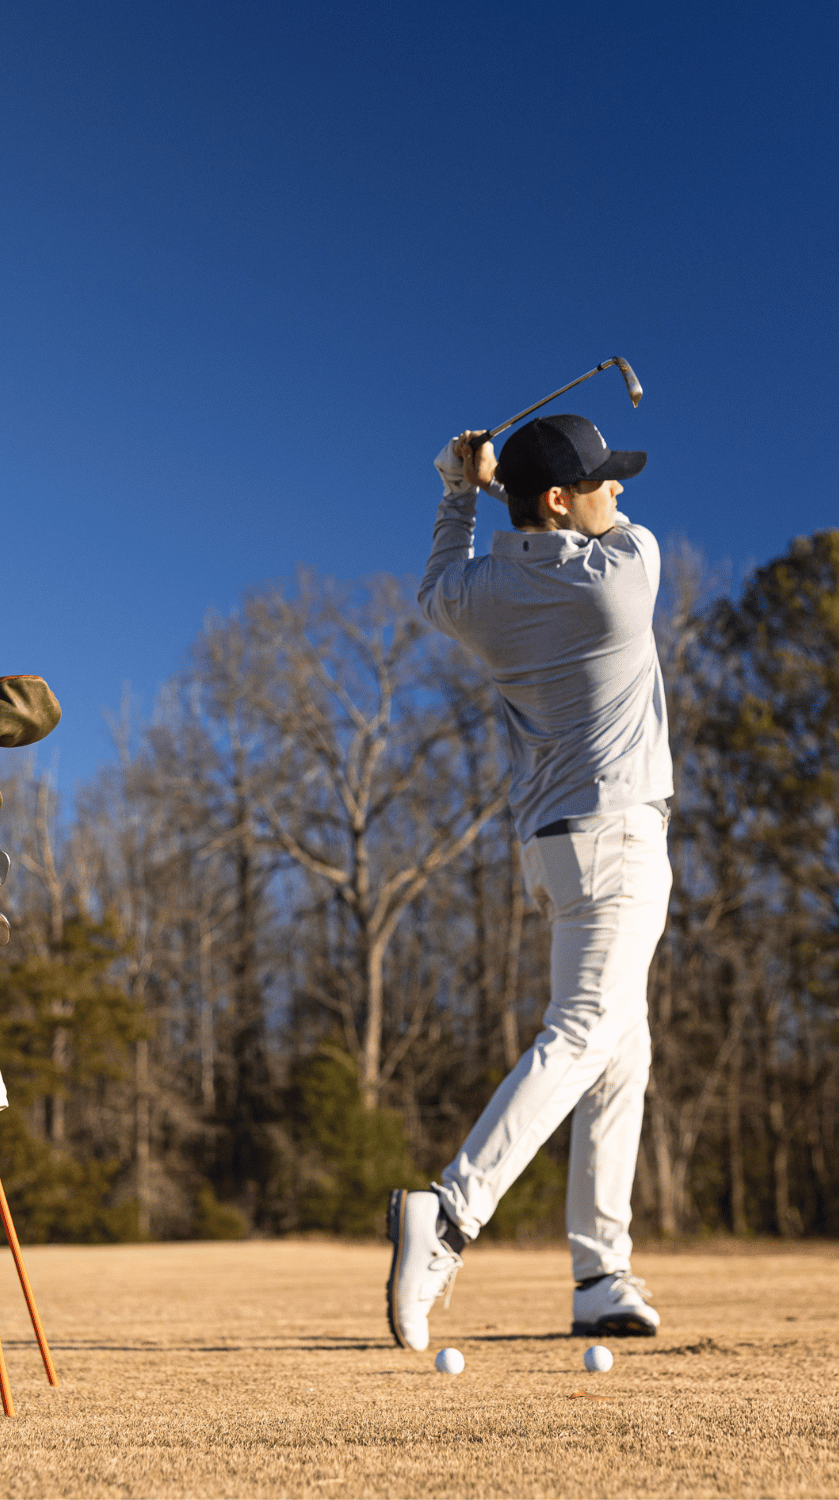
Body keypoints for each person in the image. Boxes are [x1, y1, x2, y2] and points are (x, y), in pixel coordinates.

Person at [387, 411, 674, 1351]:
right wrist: (483, 484)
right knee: (586, 1031)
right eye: (603, 480)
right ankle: (450, 1217)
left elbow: (437, 583)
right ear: (560, 500)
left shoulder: (481, 595)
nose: (620, 491)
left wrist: (457, 489)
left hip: (553, 849)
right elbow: (617, 530)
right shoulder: (623, 577)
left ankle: (600, 1272)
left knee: (619, 1046)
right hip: (617, 844)